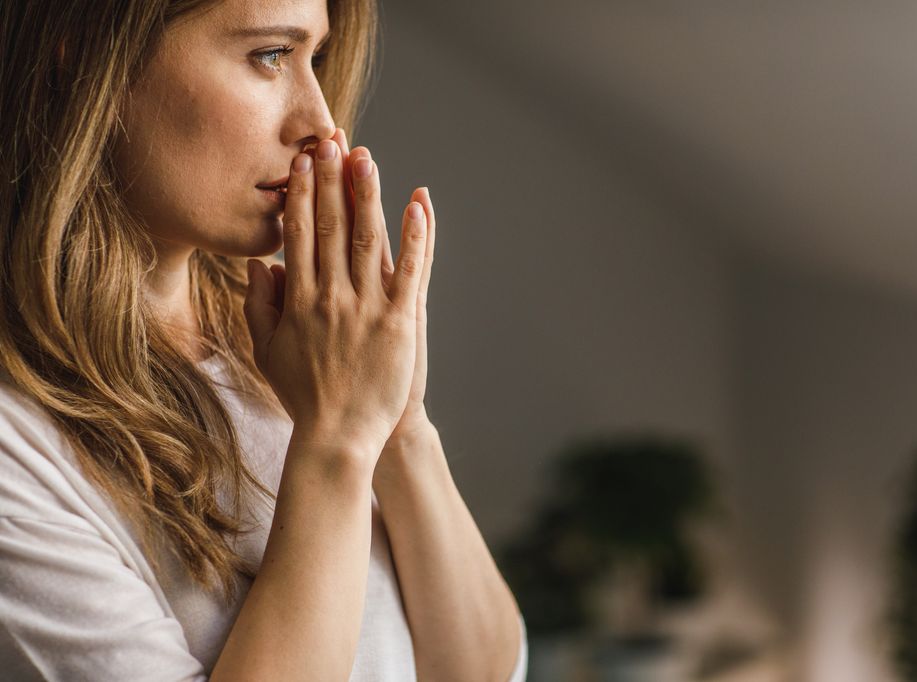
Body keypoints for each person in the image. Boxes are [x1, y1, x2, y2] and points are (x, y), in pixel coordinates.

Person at [0, 0, 528, 679]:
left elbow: (487, 671)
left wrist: (399, 423)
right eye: (270, 55)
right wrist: (336, 440)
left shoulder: (301, 342)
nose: (320, 125)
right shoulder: (18, 446)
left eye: (316, 59)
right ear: (82, 63)